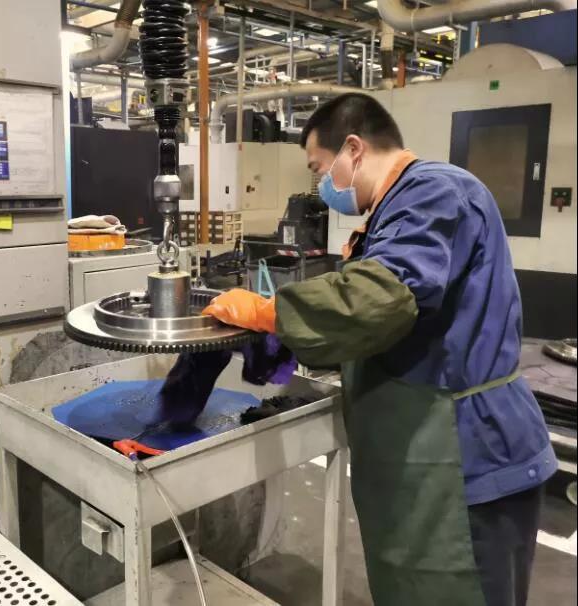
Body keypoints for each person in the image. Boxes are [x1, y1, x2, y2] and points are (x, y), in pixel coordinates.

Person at [203, 93, 556, 606]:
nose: (322, 187)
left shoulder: (433, 192)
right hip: (429, 457)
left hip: (466, 459)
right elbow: (388, 324)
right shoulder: (394, 209)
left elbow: (380, 297)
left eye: (319, 169)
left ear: (353, 149)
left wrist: (268, 312)